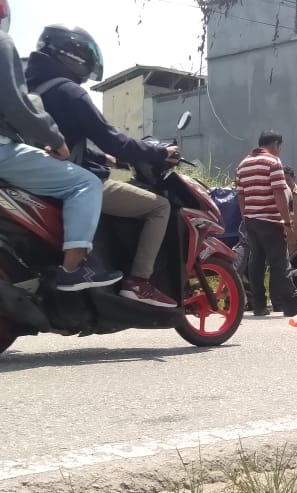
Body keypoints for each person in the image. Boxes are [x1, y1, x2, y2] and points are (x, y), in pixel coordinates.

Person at [0, 0, 121, 291]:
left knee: (12, 200)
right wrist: (55, 140)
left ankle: (13, 269)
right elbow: (16, 104)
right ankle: (74, 269)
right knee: (85, 183)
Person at [24, 24, 180, 308]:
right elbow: (113, 140)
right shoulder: (70, 92)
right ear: (75, 56)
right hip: (74, 181)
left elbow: (71, 142)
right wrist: (159, 152)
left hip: (36, 175)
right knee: (160, 207)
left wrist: (109, 160)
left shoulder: (31, 89)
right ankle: (139, 282)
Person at [235, 131, 297, 317]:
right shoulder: (273, 162)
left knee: (256, 263)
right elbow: (279, 192)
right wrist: (286, 220)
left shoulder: (242, 165)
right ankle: (291, 305)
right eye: (279, 147)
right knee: (280, 263)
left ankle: (259, 305)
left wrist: (246, 217)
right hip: (270, 221)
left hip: (251, 221)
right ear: (275, 144)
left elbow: (241, 195)